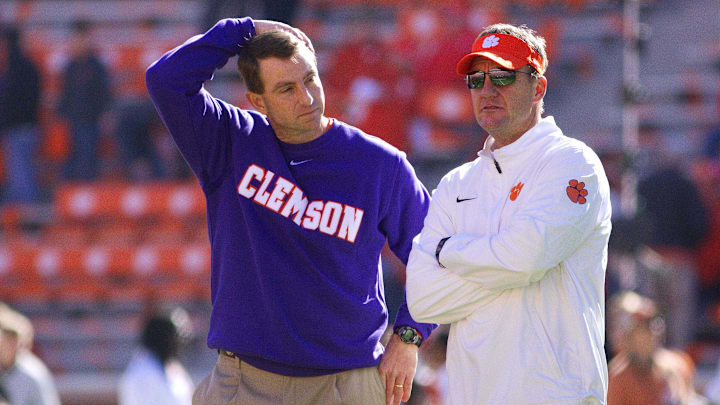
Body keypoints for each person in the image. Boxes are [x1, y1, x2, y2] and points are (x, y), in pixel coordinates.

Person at [146, 17, 436, 405]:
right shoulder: (229, 140)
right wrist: (243, 29)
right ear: (257, 101)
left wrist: (409, 337)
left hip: (346, 384)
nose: (307, 97)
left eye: (310, 79)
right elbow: (165, 80)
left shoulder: (380, 164)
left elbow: (437, 253)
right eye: (286, 88)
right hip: (245, 382)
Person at [405, 23, 612, 404]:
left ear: (539, 87)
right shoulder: (456, 184)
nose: (487, 90)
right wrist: (510, 266)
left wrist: (449, 252)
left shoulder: (571, 162)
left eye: (503, 76)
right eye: (477, 79)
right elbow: (422, 299)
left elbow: (524, 259)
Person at [606, 291, 709, 405]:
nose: (653, 330)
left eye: (655, 320)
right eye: (643, 324)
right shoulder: (618, 378)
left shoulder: (678, 364)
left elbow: (691, 399)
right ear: (629, 334)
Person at [58, 20, 112, 180]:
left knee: (88, 156)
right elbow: (65, 94)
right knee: (72, 157)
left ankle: (87, 187)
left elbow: (104, 93)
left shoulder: (96, 66)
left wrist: (105, 113)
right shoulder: (70, 66)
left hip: (91, 119)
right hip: (73, 119)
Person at [118, 308, 194, 405]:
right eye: (176, 338)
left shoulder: (174, 369)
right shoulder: (141, 374)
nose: (180, 344)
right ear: (162, 338)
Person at [0, 26, 42, 204]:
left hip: (18, 127)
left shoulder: (13, 70)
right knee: (22, 174)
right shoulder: (27, 67)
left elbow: (12, 101)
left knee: (22, 178)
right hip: (26, 125)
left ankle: (27, 218)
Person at [0, 303, 61, 405]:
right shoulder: (3, 368)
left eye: (12, 339)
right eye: (6, 339)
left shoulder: (32, 372)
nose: (8, 345)